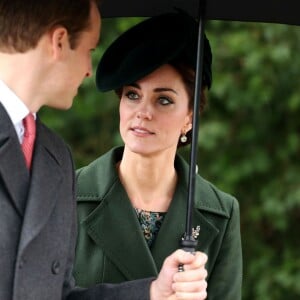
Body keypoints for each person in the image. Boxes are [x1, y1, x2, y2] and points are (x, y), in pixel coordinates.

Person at [0, 1, 209, 299]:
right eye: (89, 51)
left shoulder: (55, 158)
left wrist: (152, 292)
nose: (89, 70)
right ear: (59, 42)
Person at [74, 10, 242, 300]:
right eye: (132, 95)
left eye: (163, 100)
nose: (143, 113)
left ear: (190, 116)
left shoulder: (221, 214)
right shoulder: (66, 196)